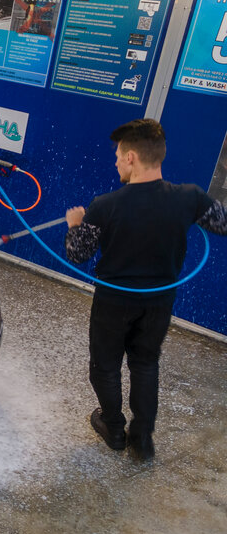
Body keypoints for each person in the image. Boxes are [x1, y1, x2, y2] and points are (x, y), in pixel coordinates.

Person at [65, 119, 227, 461]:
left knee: (105, 367)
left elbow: (77, 254)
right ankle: (142, 441)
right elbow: (222, 224)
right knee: (145, 364)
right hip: (159, 301)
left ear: (132, 158)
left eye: (118, 156)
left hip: (113, 302)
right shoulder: (189, 198)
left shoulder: (105, 204)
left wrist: (75, 225)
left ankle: (113, 427)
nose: (115, 163)